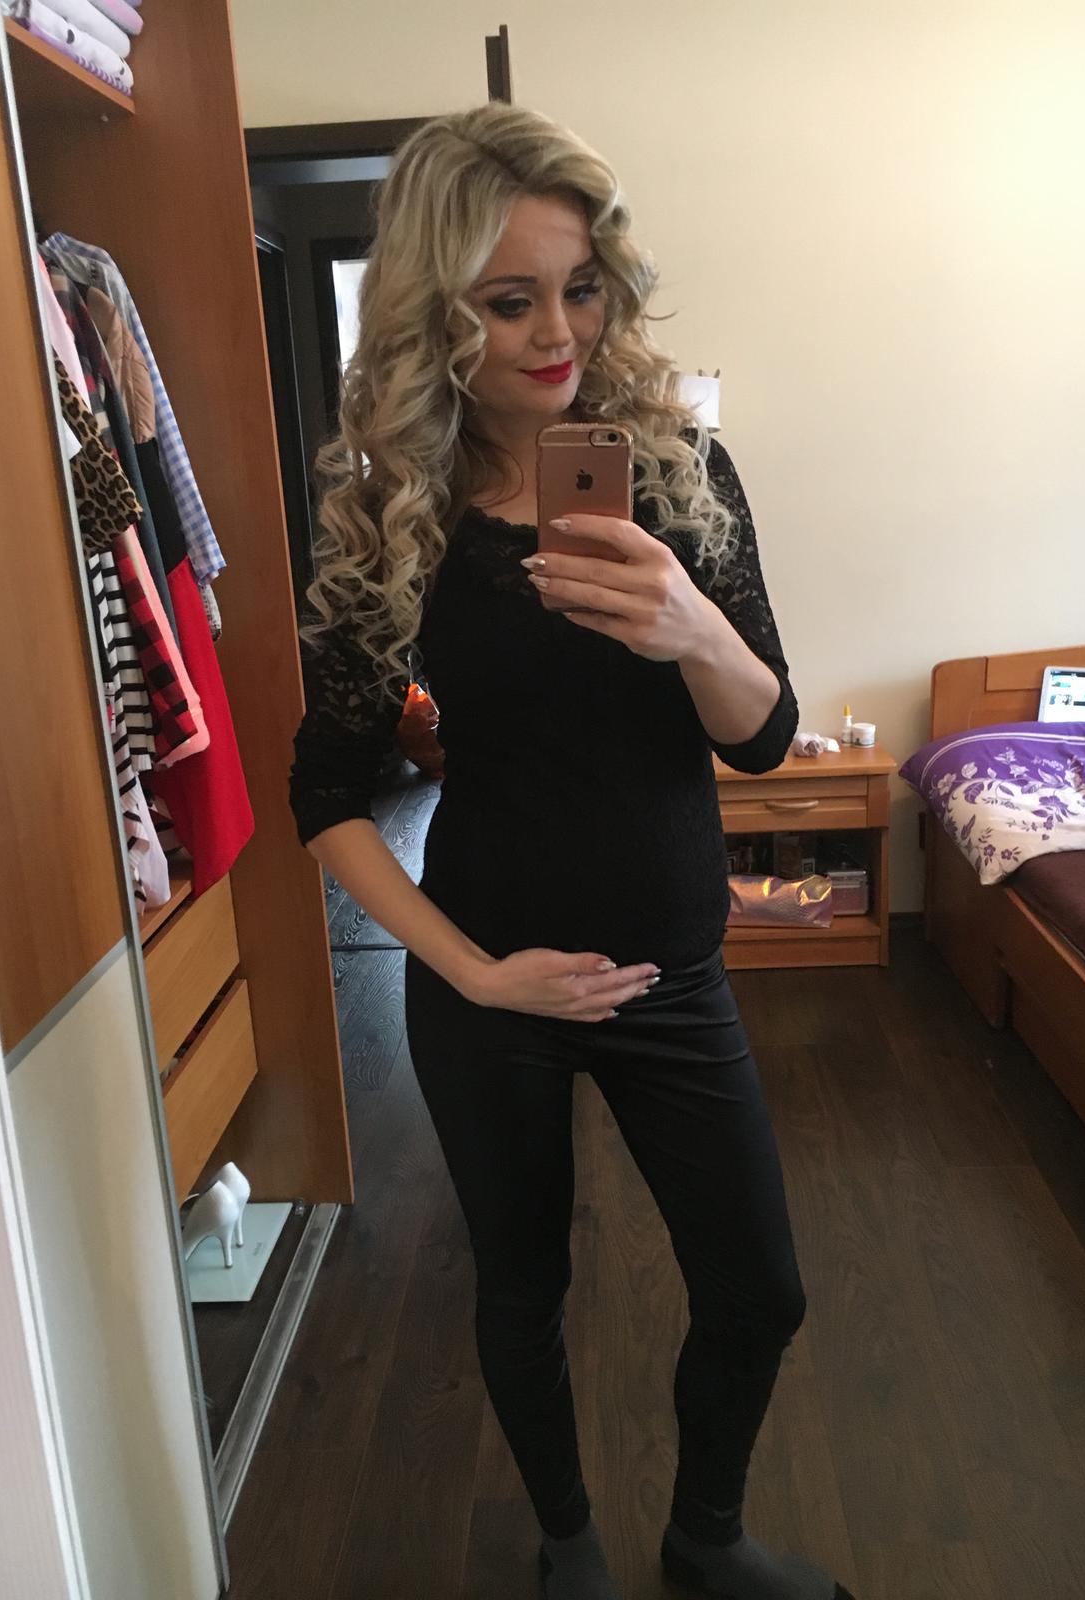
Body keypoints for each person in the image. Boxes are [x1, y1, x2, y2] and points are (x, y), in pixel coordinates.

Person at [289, 102, 855, 1600]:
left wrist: (692, 626)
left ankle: (706, 1538)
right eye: (510, 299)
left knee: (761, 1290)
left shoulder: (679, 473)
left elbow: (765, 738)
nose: (560, 332)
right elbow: (325, 796)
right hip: (491, 983)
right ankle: (568, 1545)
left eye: (583, 286)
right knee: (521, 1291)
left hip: (672, 967)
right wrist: (475, 976)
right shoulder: (391, 514)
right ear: (435, 311)